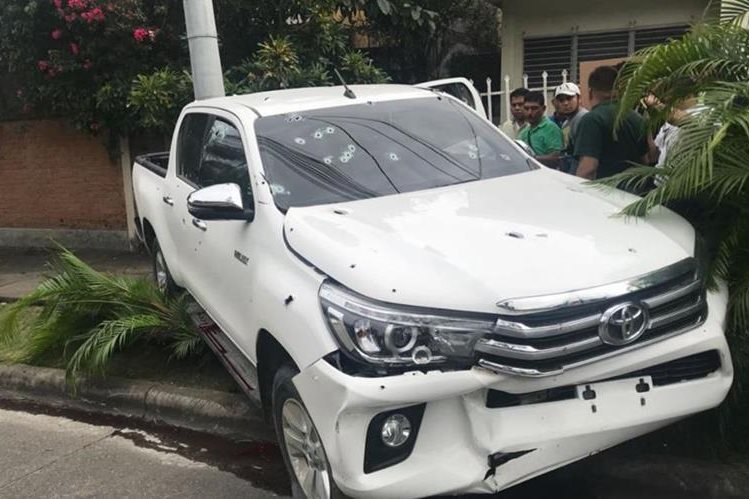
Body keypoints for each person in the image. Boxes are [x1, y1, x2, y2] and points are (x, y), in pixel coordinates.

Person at [574, 66, 649, 180]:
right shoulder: (637, 118)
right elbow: (645, 161)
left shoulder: (592, 120)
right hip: (636, 187)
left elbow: (588, 168)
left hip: (605, 188)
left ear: (590, 92)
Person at [517, 91, 564, 168]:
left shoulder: (551, 128)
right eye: (526, 108)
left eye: (534, 108)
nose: (529, 112)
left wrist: (532, 159)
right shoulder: (524, 132)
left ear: (543, 109)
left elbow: (556, 158)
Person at [553, 82, 588, 174]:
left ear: (579, 99)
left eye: (569, 98)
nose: (565, 103)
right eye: (561, 100)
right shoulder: (566, 123)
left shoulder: (584, 118)